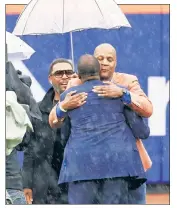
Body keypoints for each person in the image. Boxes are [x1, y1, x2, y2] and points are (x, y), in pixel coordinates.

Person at [49, 54, 150, 204]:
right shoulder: (120, 92)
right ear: (98, 70)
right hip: (118, 165)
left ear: (78, 74)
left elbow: (62, 131)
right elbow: (142, 131)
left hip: (80, 166)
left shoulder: (69, 96)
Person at [22, 58, 87, 204]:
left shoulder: (84, 106)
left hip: (75, 180)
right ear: (50, 79)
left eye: (69, 72)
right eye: (59, 73)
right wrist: (26, 183)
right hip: (44, 184)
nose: (64, 76)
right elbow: (30, 150)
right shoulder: (37, 110)